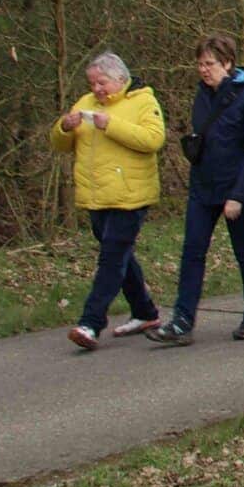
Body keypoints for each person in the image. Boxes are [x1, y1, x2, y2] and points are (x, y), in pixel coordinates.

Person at [149, 35, 244, 346]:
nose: (204, 69)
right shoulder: (201, 95)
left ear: (228, 64)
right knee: (192, 252)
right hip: (204, 187)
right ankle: (182, 321)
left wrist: (238, 195)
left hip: (239, 189)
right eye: (200, 63)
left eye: (210, 64)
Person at [52, 52, 166, 351]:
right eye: (92, 83)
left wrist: (110, 125)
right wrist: (64, 126)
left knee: (111, 259)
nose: (97, 89)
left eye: (102, 82)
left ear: (120, 79)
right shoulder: (84, 103)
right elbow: (61, 145)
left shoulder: (142, 101)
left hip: (130, 196)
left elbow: (153, 140)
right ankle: (145, 312)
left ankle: (90, 323)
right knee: (119, 256)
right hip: (96, 196)